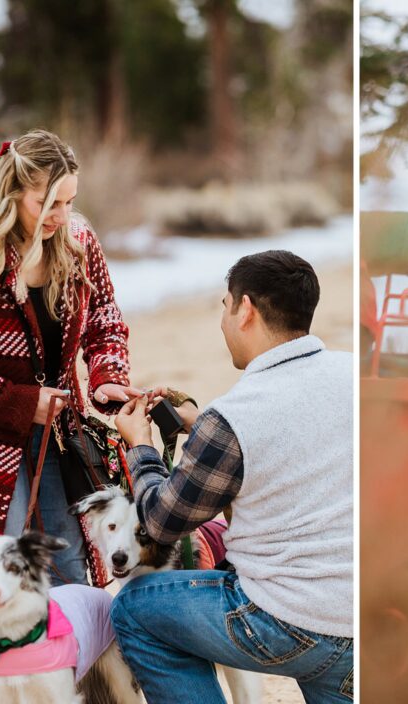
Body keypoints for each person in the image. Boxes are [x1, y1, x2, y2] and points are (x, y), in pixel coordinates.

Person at [0, 129, 140, 624]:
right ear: (13, 192)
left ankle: (77, 685)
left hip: (61, 436)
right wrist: (20, 402)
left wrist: (106, 374)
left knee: (69, 566)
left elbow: (105, 319)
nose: (62, 216)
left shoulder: (79, 242)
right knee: (1, 572)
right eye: (48, 203)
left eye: (70, 201)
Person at [111, 250, 354, 704]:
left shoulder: (236, 415)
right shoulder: (353, 374)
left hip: (284, 624)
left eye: (224, 306)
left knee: (135, 608)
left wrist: (141, 447)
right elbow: (294, 446)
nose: (222, 319)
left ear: (245, 309)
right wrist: (196, 424)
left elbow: (162, 522)